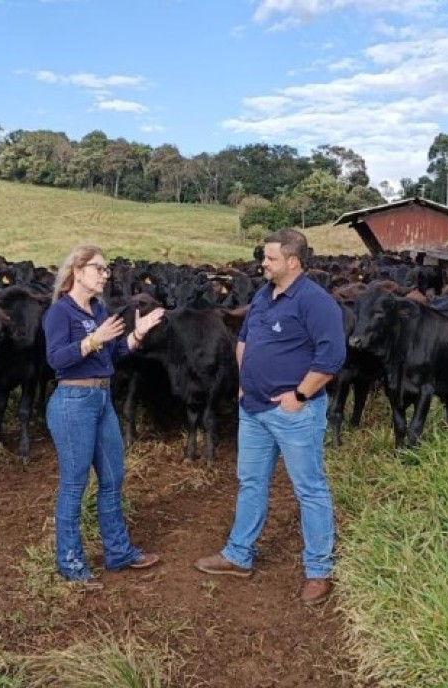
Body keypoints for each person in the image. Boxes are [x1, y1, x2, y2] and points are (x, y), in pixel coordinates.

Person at [195, 229, 346, 605]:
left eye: (271, 258)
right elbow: (244, 339)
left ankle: (318, 569)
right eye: (264, 257)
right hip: (254, 410)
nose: (263, 263)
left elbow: (331, 358)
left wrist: (299, 395)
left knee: (309, 488)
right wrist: (244, 384)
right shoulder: (264, 295)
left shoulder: (316, 302)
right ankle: (238, 555)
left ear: (293, 262)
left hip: (294, 413)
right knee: (250, 481)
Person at [42, 245, 166, 589]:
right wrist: (94, 339)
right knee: (74, 484)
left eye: (106, 269)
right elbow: (56, 359)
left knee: (113, 477)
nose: (105, 274)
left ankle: (118, 552)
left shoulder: (98, 309)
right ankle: (70, 564)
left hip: (101, 398)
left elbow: (114, 354)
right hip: (73, 401)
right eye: (99, 268)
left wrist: (138, 333)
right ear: (77, 271)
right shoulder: (60, 312)